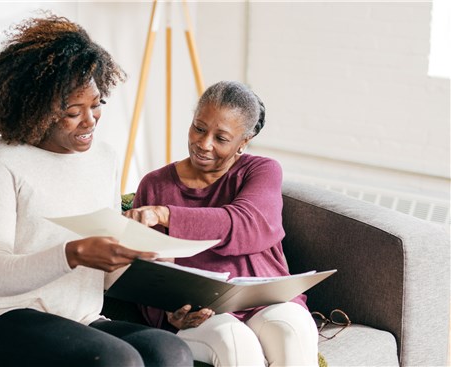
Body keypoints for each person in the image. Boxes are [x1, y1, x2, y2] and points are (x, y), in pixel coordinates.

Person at [0, 15, 193, 367]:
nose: (90, 120)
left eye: (96, 105)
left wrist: (147, 262)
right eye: (72, 112)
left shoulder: (104, 158)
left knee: (170, 352)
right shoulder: (2, 158)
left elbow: (107, 275)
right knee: (116, 360)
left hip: (79, 320)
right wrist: (74, 253)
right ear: (38, 109)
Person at [124, 81, 319, 367]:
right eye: (199, 128)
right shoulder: (155, 185)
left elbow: (247, 225)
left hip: (267, 301)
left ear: (243, 141)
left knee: (292, 332)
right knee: (235, 343)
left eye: (221, 138)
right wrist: (168, 313)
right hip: (204, 312)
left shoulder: (261, 171)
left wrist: (167, 215)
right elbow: (149, 273)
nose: (204, 144)